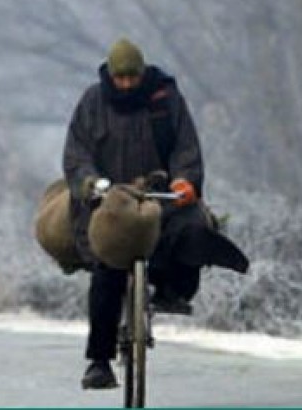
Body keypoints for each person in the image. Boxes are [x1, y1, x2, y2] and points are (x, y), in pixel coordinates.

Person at [62, 37, 247, 390]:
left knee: (189, 234)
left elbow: (185, 146)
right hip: (109, 204)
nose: (128, 84)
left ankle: (173, 290)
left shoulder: (166, 100)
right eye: (121, 78)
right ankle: (99, 361)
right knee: (108, 271)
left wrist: (184, 180)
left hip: (161, 200)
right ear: (111, 76)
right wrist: (91, 184)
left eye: (133, 77)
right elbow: (76, 154)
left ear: (143, 73)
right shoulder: (92, 103)